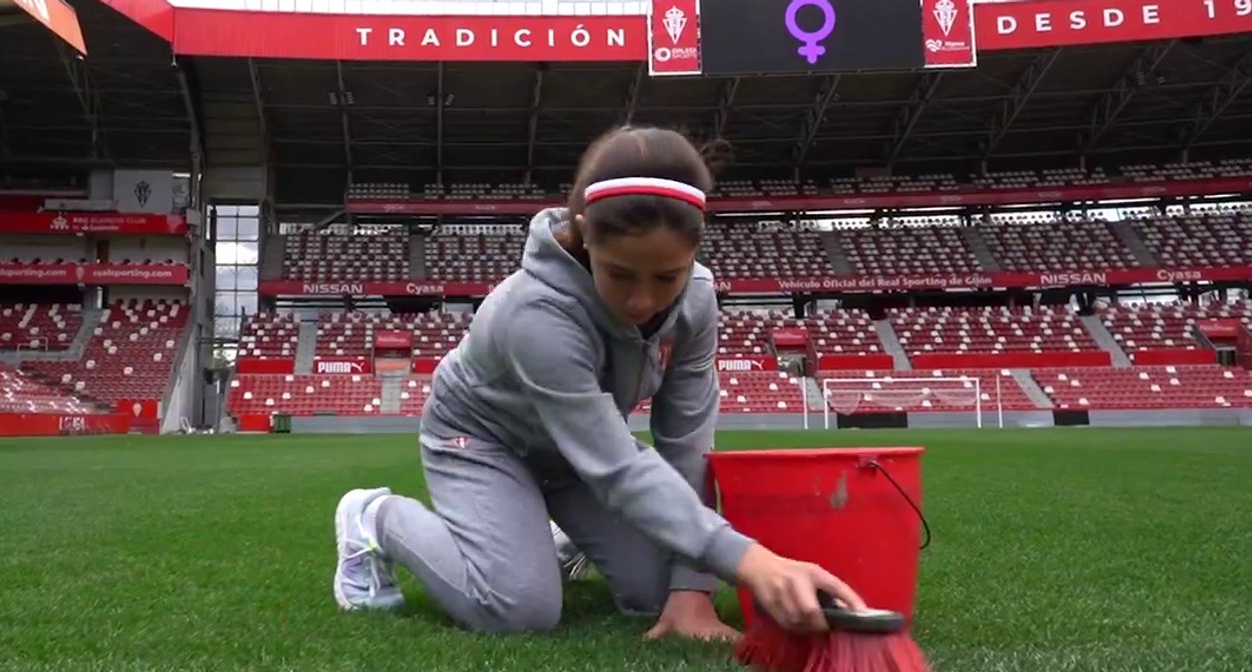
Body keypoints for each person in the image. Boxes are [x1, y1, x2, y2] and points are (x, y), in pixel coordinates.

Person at [331, 125, 868, 640]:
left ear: (694, 254)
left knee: (662, 594)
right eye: (619, 273)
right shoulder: (534, 313)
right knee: (517, 610)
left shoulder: (699, 300)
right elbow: (617, 467)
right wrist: (755, 561)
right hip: (482, 440)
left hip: (577, 454)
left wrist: (691, 587)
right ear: (585, 232)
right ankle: (376, 518)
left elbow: (687, 444)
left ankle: (559, 541)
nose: (641, 302)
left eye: (667, 277)